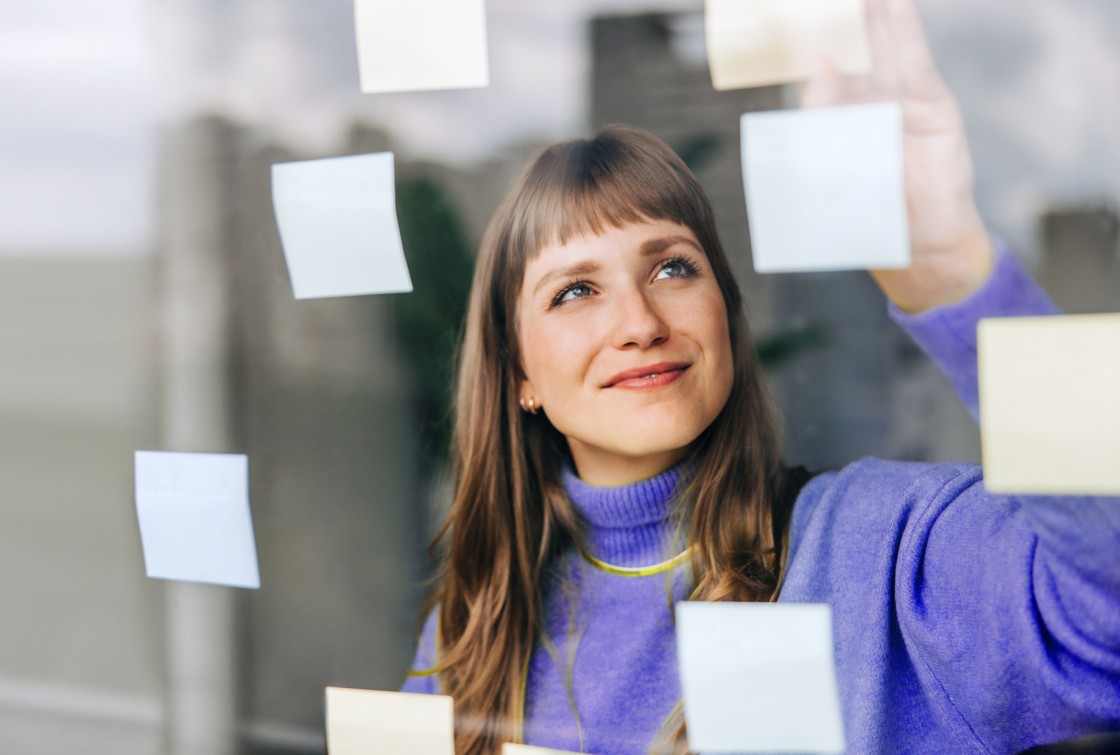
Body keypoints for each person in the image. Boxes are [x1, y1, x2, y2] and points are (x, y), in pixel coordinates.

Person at [401, 0, 1120, 752]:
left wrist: (956, 278)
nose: (641, 322)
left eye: (674, 266)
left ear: (726, 311)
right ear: (520, 374)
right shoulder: (473, 626)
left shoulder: (870, 548)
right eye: (576, 290)